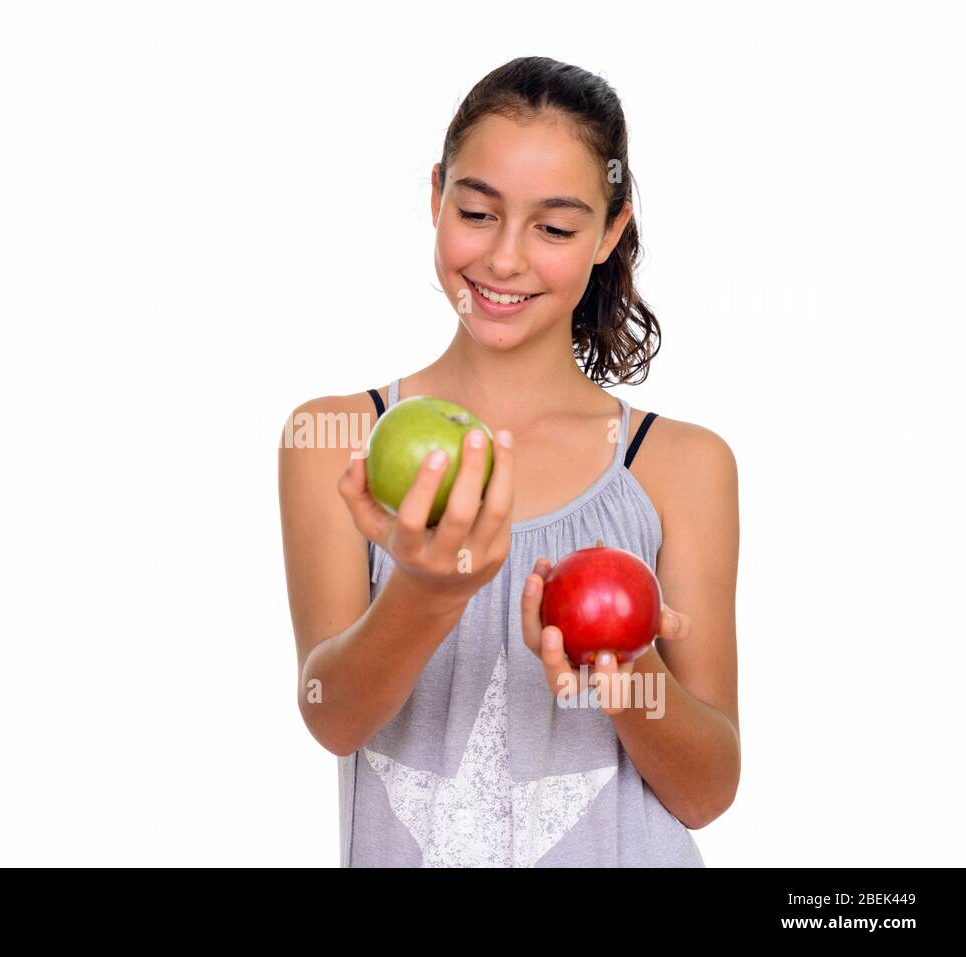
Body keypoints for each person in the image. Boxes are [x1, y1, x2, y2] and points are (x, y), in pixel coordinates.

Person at [278, 56, 739, 867]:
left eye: (556, 228)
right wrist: (428, 589)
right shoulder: (338, 438)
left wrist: (622, 667)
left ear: (609, 232)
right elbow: (333, 716)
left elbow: (707, 792)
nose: (503, 259)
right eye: (478, 211)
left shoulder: (679, 462)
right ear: (435, 197)